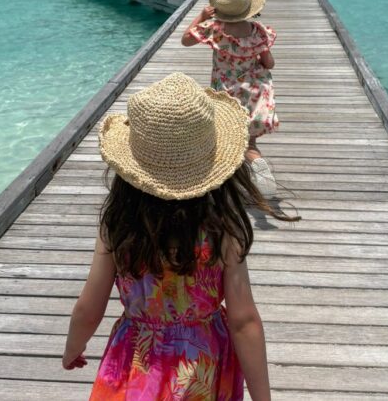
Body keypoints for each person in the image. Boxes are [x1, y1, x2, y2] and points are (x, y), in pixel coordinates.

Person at [62, 73, 298, 400]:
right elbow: (244, 321)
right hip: (204, 364)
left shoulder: (118, 225)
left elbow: (89, 308)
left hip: (137, 360)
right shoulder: (223, 228)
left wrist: (73, 348)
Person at [181, 0, 279, 196]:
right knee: (249, 142)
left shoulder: (215, 29)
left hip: (226, 93)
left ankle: (237, 180)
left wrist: (202, 16)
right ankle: (255, 164)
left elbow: (186, 40)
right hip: (254, 93)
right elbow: (269, 62)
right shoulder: (258, 31)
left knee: (228, 136)